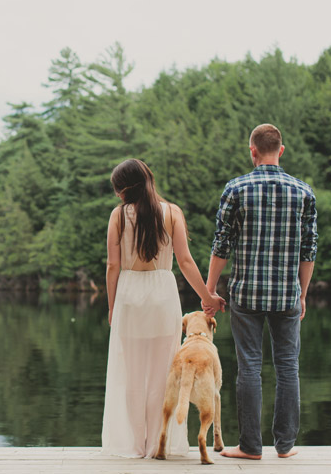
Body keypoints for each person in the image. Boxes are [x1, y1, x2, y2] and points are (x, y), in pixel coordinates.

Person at [205, 123, 318, 460]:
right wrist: (303, 294)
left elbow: (221, 245)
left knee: (250, 368)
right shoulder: (303, 192)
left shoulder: (236, 189)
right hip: (286, 295)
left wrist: (209, 292)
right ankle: (285, 446)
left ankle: (251, 447)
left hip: (247, 294)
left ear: (252, 150)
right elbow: (308, 249)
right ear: (280, 150)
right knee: (288, 367)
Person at [101, 158, 224, 459]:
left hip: (129, 296)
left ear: (123, 190)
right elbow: (185, 261)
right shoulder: (172, 212)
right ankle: (160, 443)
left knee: (132, 376)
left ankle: (134, 445)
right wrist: (207, 297)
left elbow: (112, 265)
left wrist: (111, 306)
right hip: (163, 297)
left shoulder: (118, 217)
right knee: (163, 375)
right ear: (149, 180)